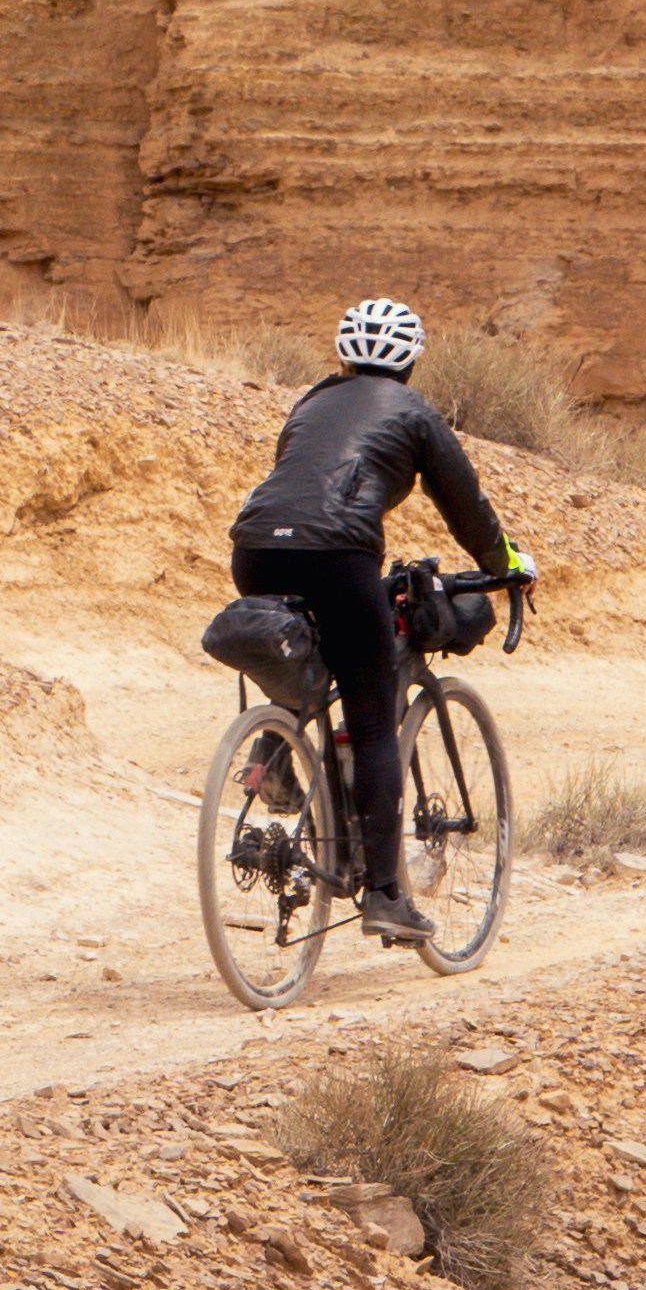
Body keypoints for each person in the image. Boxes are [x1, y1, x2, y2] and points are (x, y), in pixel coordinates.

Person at [227, 297, 524, 943]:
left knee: (305, 665)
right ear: (412, 361)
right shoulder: (414, 413)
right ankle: (386, 895)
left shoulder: (310, 402)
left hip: (253, 551)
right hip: (338, 557)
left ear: (342, 355)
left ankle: (272, 747)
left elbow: (298, 476)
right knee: (369, 715)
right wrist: (504, 562)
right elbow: (464, 504)